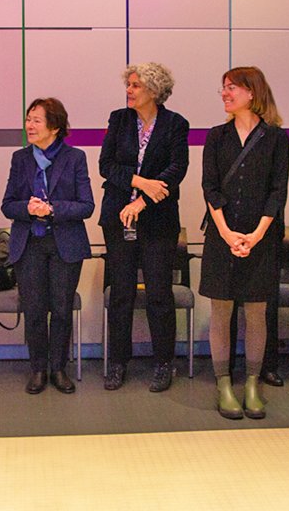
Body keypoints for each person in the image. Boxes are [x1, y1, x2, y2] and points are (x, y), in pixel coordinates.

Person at [200, 67, 289, 419]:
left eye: (231, 87)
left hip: (261, 237)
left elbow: (277, 191)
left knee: (257, 312)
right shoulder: (216, 136)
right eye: (222, 87)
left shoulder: (276, 138)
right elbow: (210, 187)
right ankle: (224, 385)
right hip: (222, 235)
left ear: (252, 92)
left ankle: (252, 384)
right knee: (221, 311)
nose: (224, 93)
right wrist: (224, 232)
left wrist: (256, 234)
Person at [99, 62, 189, 392]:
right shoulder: (118, 119)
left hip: (158, 223)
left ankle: (164, 363)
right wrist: (139, 182)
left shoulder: (176, 124)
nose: (129, 90)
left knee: (158, 295)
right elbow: (106, 165)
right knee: (121, 294)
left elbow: (176, 169)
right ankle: (118, 363)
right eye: (129, 84)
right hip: (118, 219)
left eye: (136, 85)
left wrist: (143, 200)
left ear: (153, 90)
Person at [1, 98, 94, 395]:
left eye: (36, 120)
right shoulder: (20, 158)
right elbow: (7, 205)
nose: (30, 125)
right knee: (35, 310)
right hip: (29, 245)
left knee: (62, 309)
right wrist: (29, 209)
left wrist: (52, 209)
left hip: (65, 244)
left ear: (54, 126)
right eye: (28, 118)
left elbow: (87, 206)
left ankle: (59, 369)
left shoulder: (75, 157)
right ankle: (38, 369)